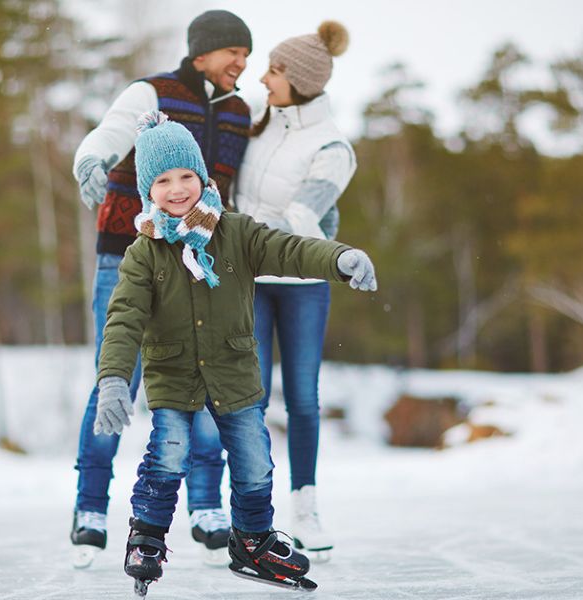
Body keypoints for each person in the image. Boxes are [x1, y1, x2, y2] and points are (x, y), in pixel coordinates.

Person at [94, 110, 376, 593]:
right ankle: (146, 536)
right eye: (163, 180)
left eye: (186, 175)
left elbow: (290, 250)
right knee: (170, 453)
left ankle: (251, 541)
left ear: (203, 178)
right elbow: (124, 318)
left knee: (255, 460)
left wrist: (339, 257)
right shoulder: (144, 252)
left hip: (234, 374)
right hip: (174, 377)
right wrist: (114, 378)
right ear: (148, 191)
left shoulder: (236, 232)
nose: (177, 188)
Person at [69, 10, 254, 567]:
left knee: (205, 374)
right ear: (202, 54)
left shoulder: (244, 110)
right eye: (233, 54)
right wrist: (90, 161)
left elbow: (270, 166)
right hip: (126, 254)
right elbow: (110, 133)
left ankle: (205, 506)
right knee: (115, 373)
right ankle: (90, 506)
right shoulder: (153, 92)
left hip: (199, 260)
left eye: (247, 55)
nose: (242, 63)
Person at [232, 21, 355, 560]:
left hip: (303, 283)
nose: (263, 78)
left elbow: (304, 218)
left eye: (275, 71)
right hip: (250, 282)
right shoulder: (258, 128)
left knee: (302, 398)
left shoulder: (332, 147)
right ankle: (248, 514)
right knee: (249, 397)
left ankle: (304, 505)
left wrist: (244, 225)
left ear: (300, 79)